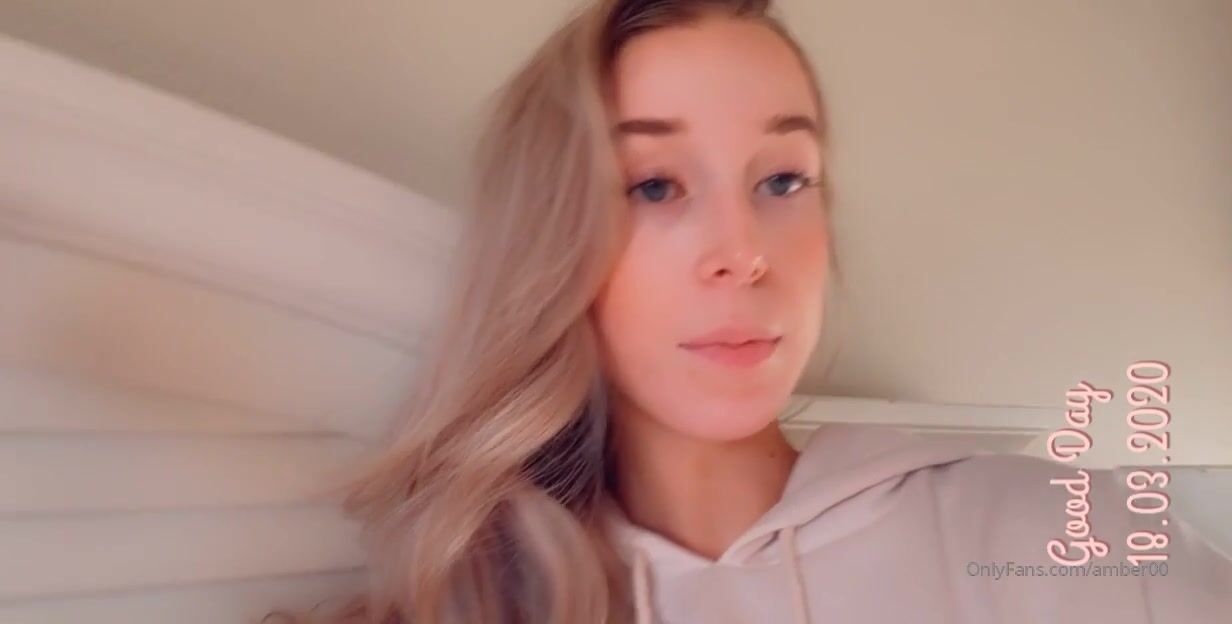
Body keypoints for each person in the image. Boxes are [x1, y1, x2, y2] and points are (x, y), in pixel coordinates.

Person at [275, 0, 1232, 622]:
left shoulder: (1064, 538)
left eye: (782, 179)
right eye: (654, 186)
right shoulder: (482, 601)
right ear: (551, 241)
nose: (743, 251)